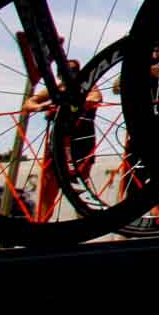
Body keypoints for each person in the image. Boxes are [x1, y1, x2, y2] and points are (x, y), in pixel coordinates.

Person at [25, 58, 100, 223]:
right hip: (58, 141)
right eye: (64, 71)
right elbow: (28, 103)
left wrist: (77, 103)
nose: (69, 74)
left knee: (81, 188)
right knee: (48, 187)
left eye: (74, 71)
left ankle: (84, 224)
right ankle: (42, 227)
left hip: (82, 141)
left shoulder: (87, 86)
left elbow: (95, 97)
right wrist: (43, 107)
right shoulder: (56, 89)